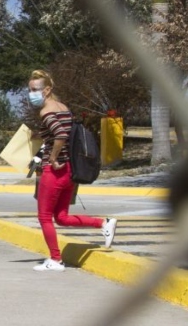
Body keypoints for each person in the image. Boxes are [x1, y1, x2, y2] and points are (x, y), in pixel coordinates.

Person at [27, 69, 117, 272]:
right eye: (30, 89)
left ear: (47, 90)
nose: (31, 94)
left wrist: (52, 157)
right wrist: (40, 135)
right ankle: (103, 223)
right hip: (70, 170)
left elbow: (60, 134)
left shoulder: (46, 111)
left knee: (44, 217)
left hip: (55, 170)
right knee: (61, 217)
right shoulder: (63, 108)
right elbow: (62, 132)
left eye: (34, 90)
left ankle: (55, 259)